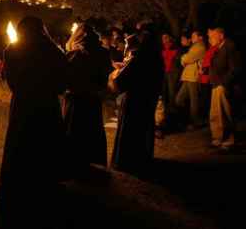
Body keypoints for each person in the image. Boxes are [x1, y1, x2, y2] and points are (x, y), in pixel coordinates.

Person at [0, 16, 67, 189]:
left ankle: (20, 176)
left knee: (22, 138)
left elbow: (12, 81)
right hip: (46, 103)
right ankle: (47, 176)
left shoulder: (12, 50)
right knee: (45, 140)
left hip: (23, 103)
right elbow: (62, 82)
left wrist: (24, 90)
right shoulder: (53, 50)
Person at [109, 24, 163, 175]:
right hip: (147, 100)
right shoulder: (157, 57)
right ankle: (143, 159)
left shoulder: (140, 57)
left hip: (135, 100)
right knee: (144, 129)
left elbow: (122, 81)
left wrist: (117, 73)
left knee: (131, 131)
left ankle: (128, 162)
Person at [63, 21, 111, 175]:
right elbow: (105, 76)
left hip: (76, 99)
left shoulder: (75, 54)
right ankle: (94, 162)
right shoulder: (103, 52)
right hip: (93, 98)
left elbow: (66, 78)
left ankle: (74, 164)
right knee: (93, 129)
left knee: (75, 130)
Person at [208, 27, 242, 152]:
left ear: (221, 35)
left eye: (212, 36)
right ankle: (218, 138)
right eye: (209, 37)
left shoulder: (229, 46)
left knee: (225, 113)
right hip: (216, 84)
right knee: (215, 114)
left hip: (223, 85)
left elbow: (235, 68)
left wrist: (224, 83)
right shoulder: (216, 48)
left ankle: (229, 140)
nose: (210, 39)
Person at [175, 31, 206, 130]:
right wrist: (185, 59)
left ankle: (194, 122)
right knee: (179, 99)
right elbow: (185, 59)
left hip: (193, 76)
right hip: (188, 76)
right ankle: (187, 120)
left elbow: (186, 59)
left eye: (194, 36)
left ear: (200, 38)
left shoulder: (200, 48)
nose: (192, 37)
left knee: (194, 101)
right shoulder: (194, 47)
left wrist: (185, 59)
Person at [160, 33, 181, 132]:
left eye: (165, 37)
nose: (164, 39)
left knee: (172, 93)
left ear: (169, 38)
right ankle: (166, 114)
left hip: (172, 73)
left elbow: (177, 60)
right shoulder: (162, 48)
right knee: (165, 93)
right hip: (165, 73)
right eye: (163, 38)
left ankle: (173, 115)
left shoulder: (174, 47)